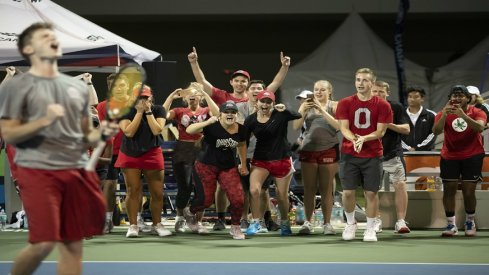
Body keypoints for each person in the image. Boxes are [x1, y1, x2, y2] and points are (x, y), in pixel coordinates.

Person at [0, 22, 117, 275]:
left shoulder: (75, 87)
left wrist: (101, 134)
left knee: (73, 245)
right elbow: (9, 133)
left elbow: (86, 134)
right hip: (38, 172)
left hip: (72, 171)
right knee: (43, 244)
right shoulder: (15, 87)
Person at [188, 47, 290, 230]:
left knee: (260, 189)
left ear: (249, 85)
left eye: (244, 81)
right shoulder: (223, 97)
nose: (240, 84)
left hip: (259, 152)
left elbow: (275, 83)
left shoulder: (259, 99)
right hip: (230, 150)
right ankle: (222, 219)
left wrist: (284, 67)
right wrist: (194, 62)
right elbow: (202, 82)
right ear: (232, 82)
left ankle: (264, 218)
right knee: (225, 187)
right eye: (237, 80)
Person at [335, 68, 392, 242]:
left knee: (371, 193)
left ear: (372, 83)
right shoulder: (345, 102)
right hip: (349, 154)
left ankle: (370, 228)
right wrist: (354, 140)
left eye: (365, 80)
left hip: (373, 154)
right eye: (358, 80)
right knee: (348, 192)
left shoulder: (383, 105)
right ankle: (350, 224)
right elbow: (343, 127)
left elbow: (381, 131)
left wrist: (364, 139)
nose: (360, 83)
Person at [184, 101, 249, 240]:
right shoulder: (212, 126)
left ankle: (235, 227)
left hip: (228, 166)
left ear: (236, 115)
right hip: (206, 165)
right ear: (221, 114)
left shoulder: (242, 129)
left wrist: (243, 164)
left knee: (238, 198)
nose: (230, 114)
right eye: (227, 112)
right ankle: (189, 212)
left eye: (233, 112)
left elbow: (242, 144)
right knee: (206, 201)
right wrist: (207, 122)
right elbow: (189, 130)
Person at [115, 84, 172, 238]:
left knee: (157, 192)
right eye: (140, 97)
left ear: (151, 97)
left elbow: (157, 130)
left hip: (152, 152)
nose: (143, 100)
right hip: (130, 153)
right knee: (132, 190)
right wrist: (139, 112)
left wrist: (147, 111)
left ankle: (157, 224)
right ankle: (133, 225)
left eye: (146, 97)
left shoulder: (158, 109)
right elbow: (129, 132)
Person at [162, 82, 219, 234]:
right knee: (185, 187)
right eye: (190, 94)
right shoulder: (179, 110)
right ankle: (180, 218)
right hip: (183, 150)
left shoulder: (207, 110)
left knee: (203, 187)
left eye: (196, 94)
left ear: (200, 96)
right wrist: (171, 97)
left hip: (202, 149)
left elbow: (218, 114)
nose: (192, 96)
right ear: (186, 98)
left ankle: (198, 221)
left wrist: (206, 93)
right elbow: (162, 115)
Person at [244, 90, 302, 236]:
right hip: (260, 160)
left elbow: (298, 115)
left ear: (273, 103)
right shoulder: (251, 120)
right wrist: (242, 162)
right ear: (257, 103)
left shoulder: (280, 114)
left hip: (282, 159)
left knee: (281, 195)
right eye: (262, 101)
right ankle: (256, 222)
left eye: (268, 102)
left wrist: (285, 108)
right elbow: (243, 141)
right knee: (254, 190)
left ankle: (284, 223)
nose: (265, 104)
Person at [432, 85, 486, 237]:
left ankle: (470, 221)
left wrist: (463, 115)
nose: (457, 98)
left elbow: (479, 128)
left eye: (461, 95)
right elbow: (436, 131)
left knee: (469, 191)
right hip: (450, 156)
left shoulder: (477, 112)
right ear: (450, 98)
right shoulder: (443, 112)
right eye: (454, 95)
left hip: (472, 155)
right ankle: (451, 224)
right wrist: (444, 115)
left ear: (468, 98)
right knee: (449, 190)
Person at [293, 80, 339, 235]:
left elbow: (338, 126)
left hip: (328, 149)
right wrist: (303, 109)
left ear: (329, 91)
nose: (319, 92)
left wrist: (322, 110)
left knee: (326, 189)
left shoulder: (335, 105)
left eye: (323, 90)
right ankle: (307, 222)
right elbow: (295, 126)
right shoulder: (307, 105)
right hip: (308, 150)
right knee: (309, 189)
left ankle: (327, 224)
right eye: (316, 89)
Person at [371, 81, 411, 234]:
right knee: (372, 189)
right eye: (375, 91)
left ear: (387, 93)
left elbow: (406, 129)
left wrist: (388, 124)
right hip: (372, 154)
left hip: (393, 153)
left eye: (381, 91)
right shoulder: (365, 107)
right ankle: (375, 220)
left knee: (400, 185)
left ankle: (400, 221)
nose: (378, 94)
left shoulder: (396, 107)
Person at [401, 86, 437, 151]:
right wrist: (408, 148)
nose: (412, 99)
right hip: (404, 154)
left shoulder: (431, 115)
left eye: (416, 97)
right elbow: (396, 135)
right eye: (410, 96)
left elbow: (433, 134)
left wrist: (418, 148)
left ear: (422, 98)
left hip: (425, 154)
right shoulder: (400, 114)